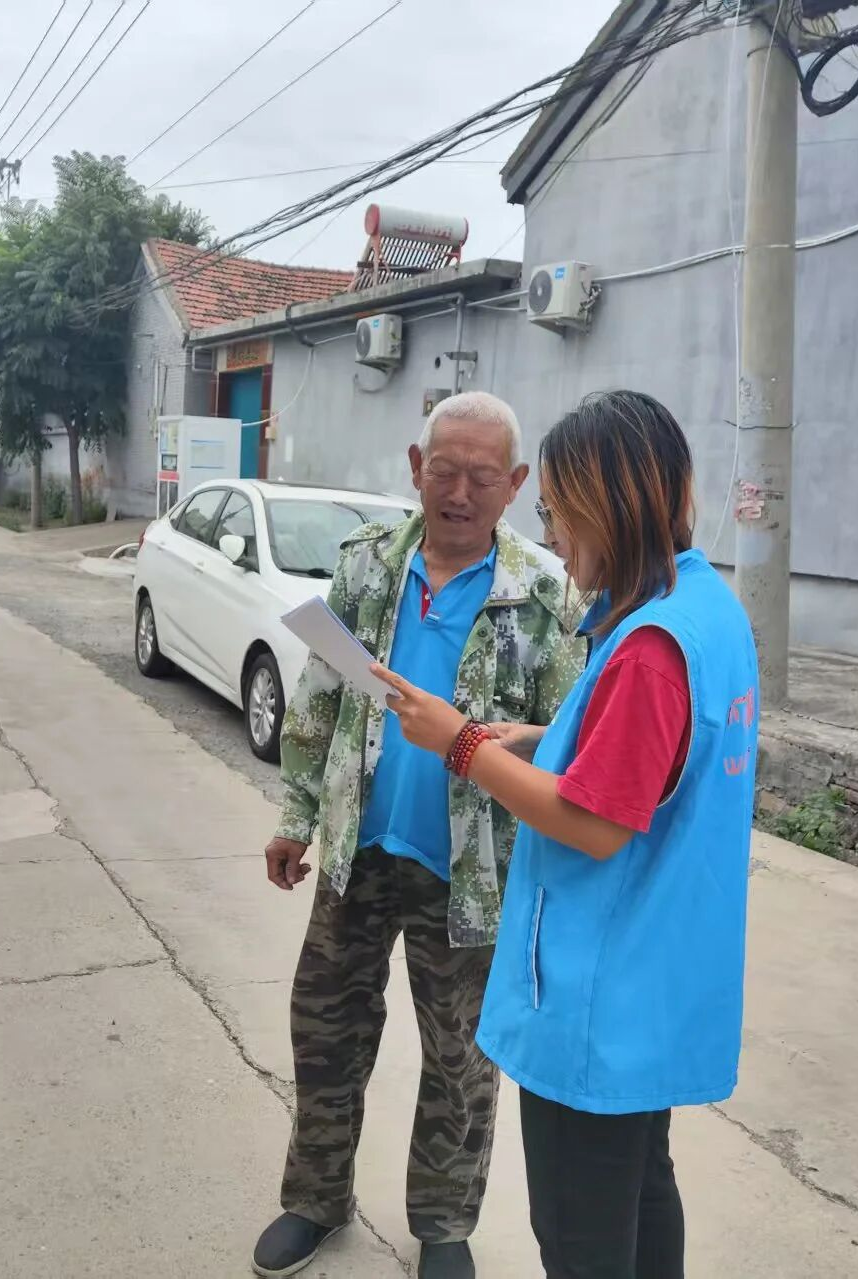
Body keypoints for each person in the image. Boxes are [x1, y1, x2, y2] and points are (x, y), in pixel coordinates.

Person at [374, 390, 759, 1279]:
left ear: (604, 505)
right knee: (643, 1186)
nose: (551, 536)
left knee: (581, 1236)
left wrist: (462, 743)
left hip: (600, 997)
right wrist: (547, 739)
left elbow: (595, 822)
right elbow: (662, 757)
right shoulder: (707, 608)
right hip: (659, 982)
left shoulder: (650, 646)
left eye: (554, 511)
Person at [255, 391, 583, 1279]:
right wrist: (296, 818)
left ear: (515, 483)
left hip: (470, 871)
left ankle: (444, 1225)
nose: (460, 492)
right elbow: (319, 699)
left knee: (460, 1057)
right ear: (415, 468)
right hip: (357, 849)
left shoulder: (545, 592)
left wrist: (508, 740)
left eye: (482, 475)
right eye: (444, 470)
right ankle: (315, 1199)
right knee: (325, 1030)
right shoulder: (368, 566)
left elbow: (567, 738)